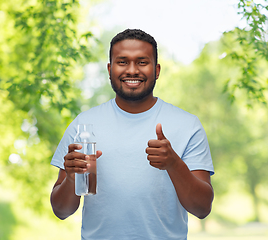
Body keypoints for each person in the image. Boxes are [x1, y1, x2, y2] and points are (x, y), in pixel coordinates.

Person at [50, 29, 214, 239]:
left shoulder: (187, 125)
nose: (132, 70)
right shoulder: (83, 126)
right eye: (122, 61)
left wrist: (174, 164)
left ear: (157, 70)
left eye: (142, 62)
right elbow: (61, 211)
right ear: (110, 69)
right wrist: (71, 178)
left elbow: (202, 209)